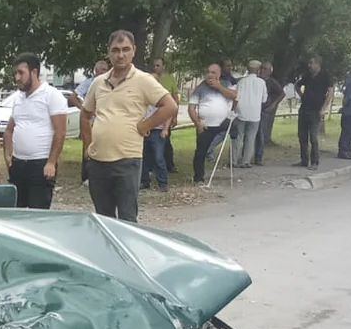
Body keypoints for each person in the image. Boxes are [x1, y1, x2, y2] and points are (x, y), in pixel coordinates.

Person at [80, 29, 177, 221]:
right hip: (98, 162)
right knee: (103, 218)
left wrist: (145, 126)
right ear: (109, 52)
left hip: (127, 160)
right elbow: (85, 115)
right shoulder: (99, 83)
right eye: (115, 50)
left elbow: (170, 106)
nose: (120, 55)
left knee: (127, 218)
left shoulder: (143, 80)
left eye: (125, 49)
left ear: (133, 50)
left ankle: (127, 251)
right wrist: (88, 146)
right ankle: (107, 251)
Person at [3, 52, 68, 209]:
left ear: (34, 72)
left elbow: (60, 132)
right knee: (17, 211)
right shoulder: (18, 98)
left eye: (21, 73)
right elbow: (9, 130)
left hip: (40, 164)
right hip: (18, 165)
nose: (17, 78)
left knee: (38, 213)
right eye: (15, 73)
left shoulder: (51, 95)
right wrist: (8, 155)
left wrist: (51, 162)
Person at [188, 63, 237, 184]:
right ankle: (198, 178)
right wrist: (197, 123)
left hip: (222, 123)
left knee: (235, 128)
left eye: (213, 72)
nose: (210, 75)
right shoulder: (200, 88)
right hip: (206, 125)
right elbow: (191, 108)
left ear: (219, 74)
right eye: (208, 72)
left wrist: (219, 87)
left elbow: (234, 96)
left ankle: (235, 158)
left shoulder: (226, 84)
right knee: (200, 152)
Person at [293, 56, 332, 170]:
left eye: (311, 63)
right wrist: (302, 96)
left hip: (316, 110)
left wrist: (323, 108)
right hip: (304, 108)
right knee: (302, 135)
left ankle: (315, 161)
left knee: (313, 136)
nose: (309, 65)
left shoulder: (325, 76)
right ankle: (304, 160)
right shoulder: (307, 76)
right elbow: (297, 85)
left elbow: (330, 92)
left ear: (318, 64)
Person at [234, 59, 267, 167]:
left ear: (248, 69)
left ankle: (234, 160)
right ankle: (246, 161)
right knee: (251, 137)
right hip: (255, 114)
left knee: (238, 136)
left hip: (241, 112)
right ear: (258, 70)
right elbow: (264, 99)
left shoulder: (241, 81)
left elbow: (236, 97)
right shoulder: (262, 83)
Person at [150, 56, 179, 172]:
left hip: (166, 115)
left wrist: (175, 116)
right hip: (152, 116)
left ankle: (170, 165)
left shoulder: (170, 79)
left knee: (166, 141)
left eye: (158, 65)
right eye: (154, 65)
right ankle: (152, 167)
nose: (155, 68)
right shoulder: (150, 79)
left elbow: (175, 100)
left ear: (164, 66)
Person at [253, 61, 284, 165]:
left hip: (264, 111)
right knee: (251, 134)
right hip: (254, 110)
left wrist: (273, 105)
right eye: (262, 68)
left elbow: (282, 94)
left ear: (270, 71)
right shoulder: (255, 80)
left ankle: (258, 158)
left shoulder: (271, 82)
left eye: (265, 69)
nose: (262, 71)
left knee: (261, 134)